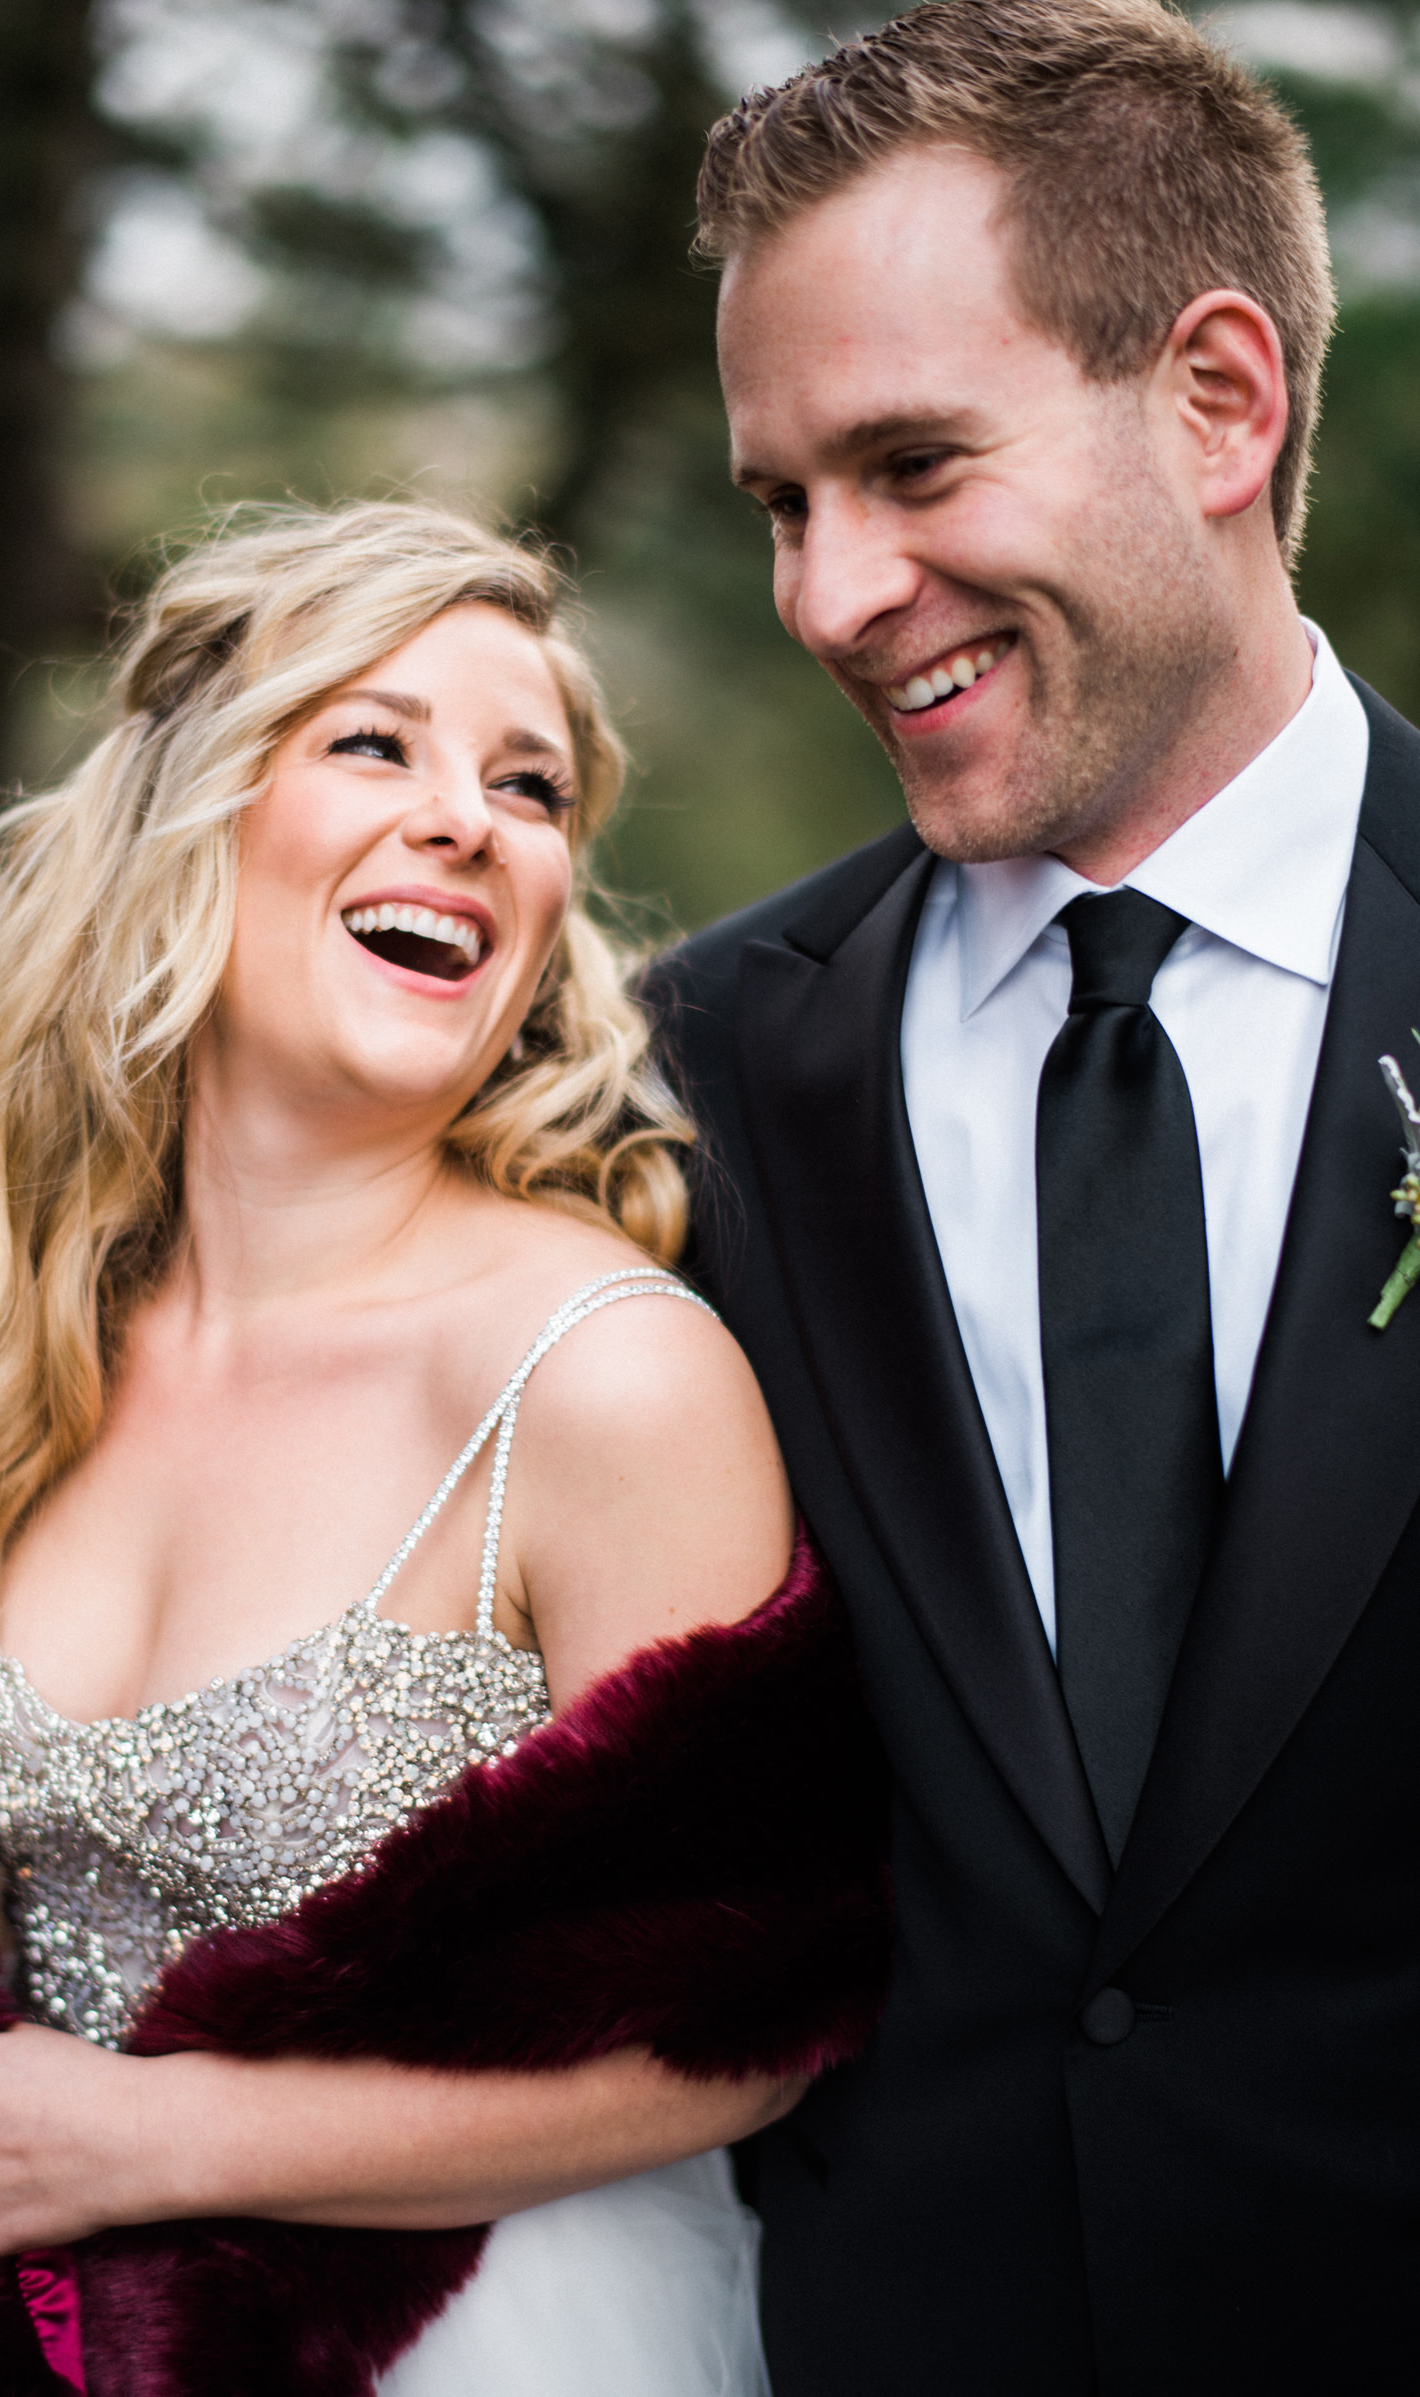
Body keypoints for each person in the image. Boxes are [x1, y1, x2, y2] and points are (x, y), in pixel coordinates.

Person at [0, 501, 891, 2394]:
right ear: (193, 810)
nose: (469, 819)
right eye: (374, 741)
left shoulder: (602, 1377)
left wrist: (152, 2143)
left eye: (532, 786)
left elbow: (756, 2018)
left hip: (480, 2338)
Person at [645, 3, 1420, 2389]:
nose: (828, 589)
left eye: (905, 464)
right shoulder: (684, 1074)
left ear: (1217, 399)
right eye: (783, 499)